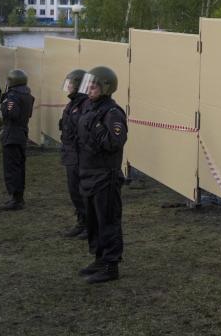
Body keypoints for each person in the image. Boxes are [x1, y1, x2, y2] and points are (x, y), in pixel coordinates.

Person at [76, 66, 128, 284]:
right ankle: (99, 258)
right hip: (88, 173)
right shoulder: (89, 107)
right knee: (94, 222)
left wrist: (97, 127)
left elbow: (114, 143)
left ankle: (110, 265)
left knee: (108, 221)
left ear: (106, 87)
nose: (90, 88)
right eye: (89, 84)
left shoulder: (112, 113)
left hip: (105, 176)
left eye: (94, 85)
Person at [0, 69, 34, 211]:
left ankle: (15, 199)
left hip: (12, 133)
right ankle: (18, 197)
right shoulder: (28, 95)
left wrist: (3, 105)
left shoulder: (13, 96)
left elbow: (10, 114)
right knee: (19, 166)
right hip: (22, 132)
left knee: (11, 168)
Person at [60, 69, 88, 237]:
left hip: (81, 157)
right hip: (71, 155)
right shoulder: (72, 104)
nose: (68, 86)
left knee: (84, 192)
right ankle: (81, 222)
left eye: (70, 83)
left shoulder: (84, 105)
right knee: (74, 192)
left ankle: (90, 225)